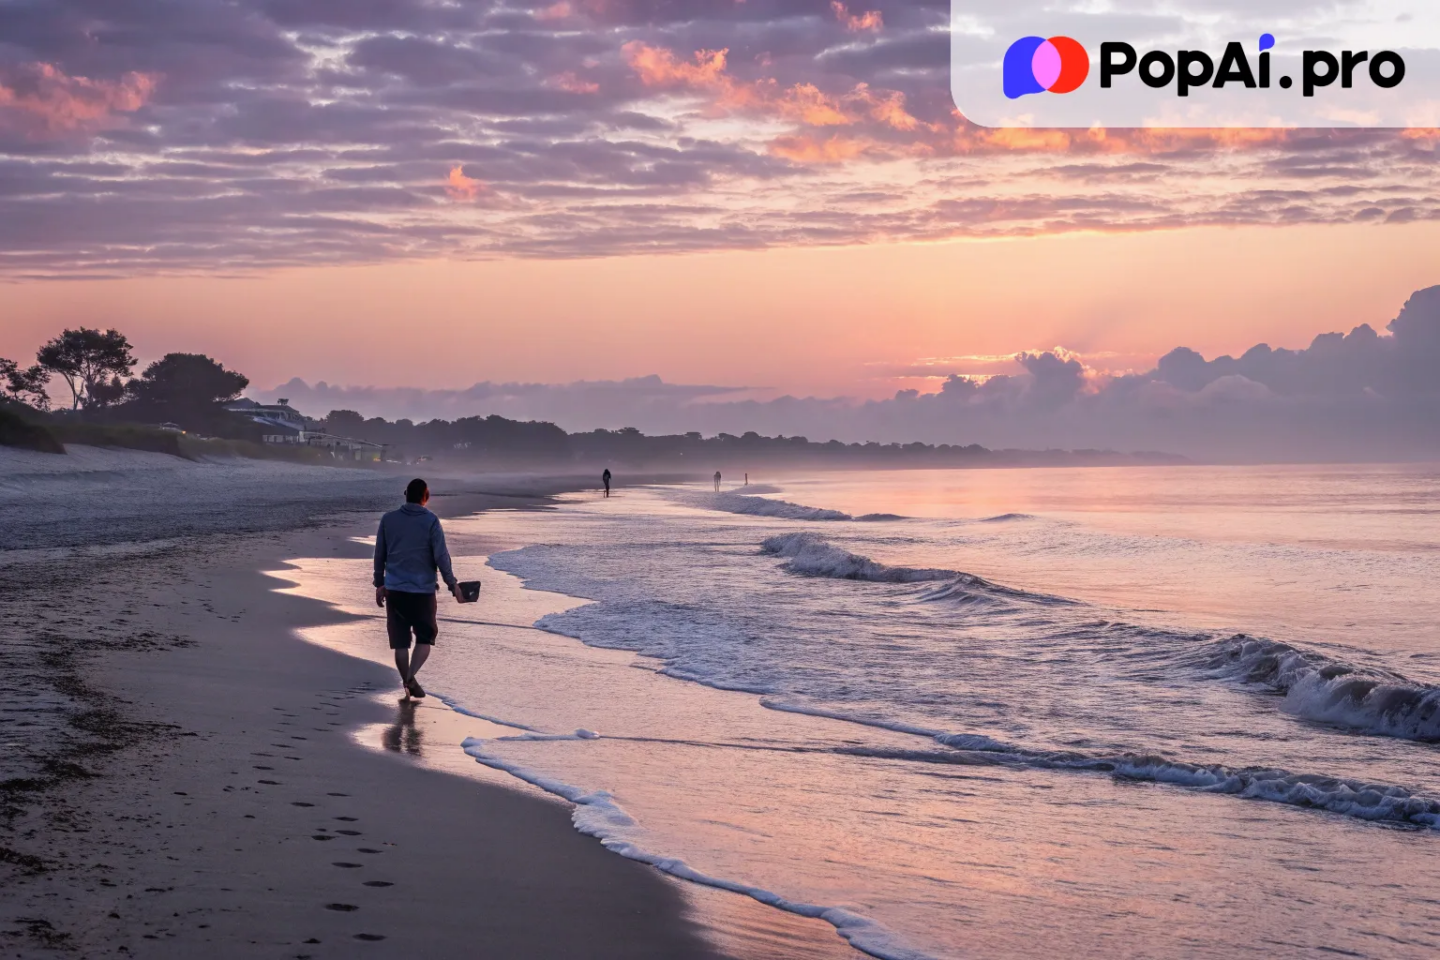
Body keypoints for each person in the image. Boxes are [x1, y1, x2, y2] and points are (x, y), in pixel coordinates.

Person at [374, 478, 460, 700]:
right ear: (426, 497)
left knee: (400, 642)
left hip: (394, 590)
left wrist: (379, 583)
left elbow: (380, 555)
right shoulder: (431, 521)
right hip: (422, 592)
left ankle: (407, 682)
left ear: (405, 494)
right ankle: (410, 678)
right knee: (425, 638)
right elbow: (441, 556)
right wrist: (452, 584)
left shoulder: (388, 520)